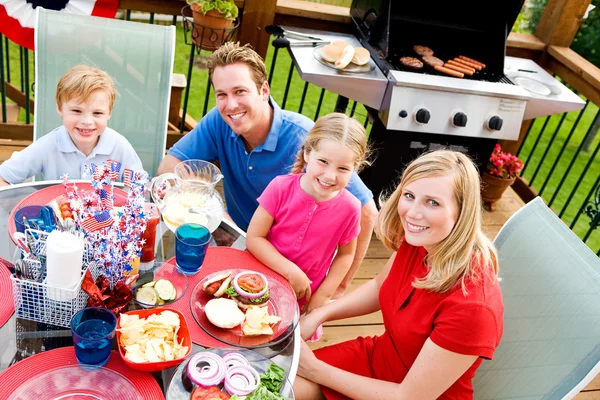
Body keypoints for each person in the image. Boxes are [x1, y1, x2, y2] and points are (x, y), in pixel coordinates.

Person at [157, 42, 378, 298]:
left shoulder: (307, 141)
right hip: (238, 244)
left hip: (289, 265)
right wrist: (217, 212)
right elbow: (169, 167)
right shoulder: (219, 121)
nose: (230, 105)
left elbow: (367, 213)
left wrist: (337, 291)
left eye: (240, 91)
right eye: (222, 94)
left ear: (263, 90)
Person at [295, 150, 504, 400]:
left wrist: (316, 371)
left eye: (433, 202)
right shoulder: (422, 241)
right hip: (378, 359)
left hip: (406, 395)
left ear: (462, 212)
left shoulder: (474, 309)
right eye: (409, 195)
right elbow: (379, 285)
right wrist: (320, 314)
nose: (413, 213)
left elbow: (408, 396)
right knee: (274, 381)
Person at [246, 113, 370, 340]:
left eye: (343, 169)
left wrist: (322, 297)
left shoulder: (351, 208)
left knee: (284, 348)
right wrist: (290, 271)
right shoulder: (280, 188)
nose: (330, 176)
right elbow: (254, 238)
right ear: (307, 153)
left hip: (304, 297)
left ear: (356, 168)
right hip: (261, 282)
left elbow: (345, 255)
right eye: (323, 161)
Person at [0, 65, 144, 185]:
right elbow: (3, 177)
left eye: (97, 113)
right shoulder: (48, 146)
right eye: (76, 110)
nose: (87, 121)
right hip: (59, 217)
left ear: (109, 112)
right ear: (60, 107)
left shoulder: (119, 146)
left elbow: (140, 187)